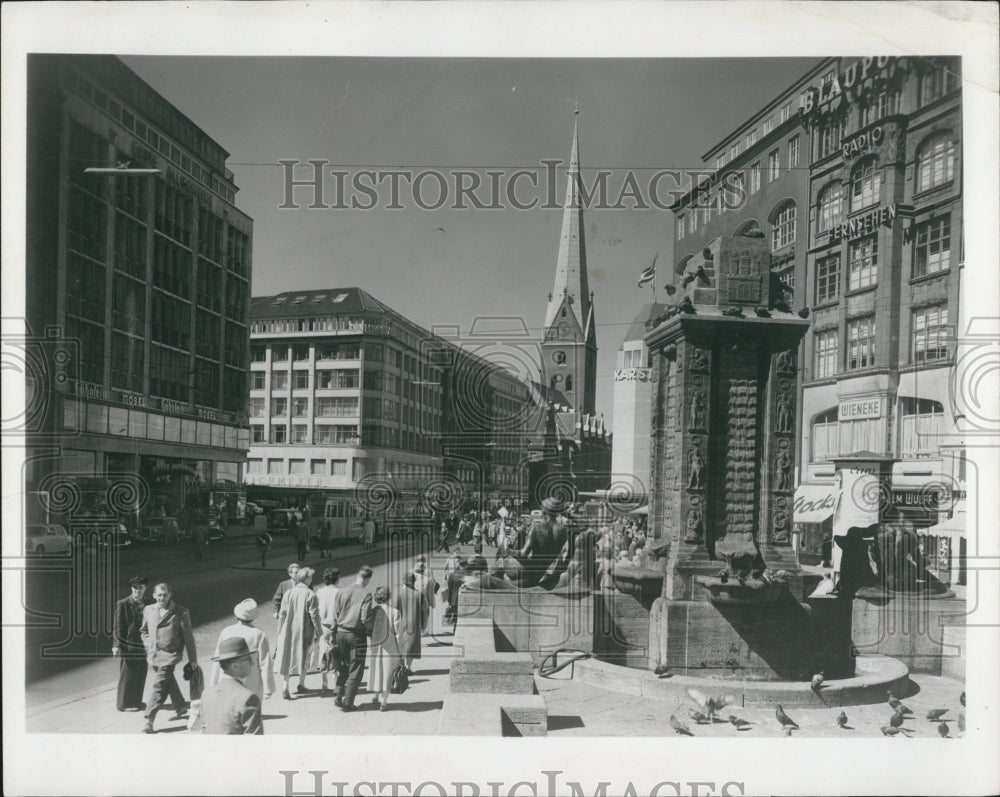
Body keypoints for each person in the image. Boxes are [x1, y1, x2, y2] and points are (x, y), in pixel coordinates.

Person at [140, 583, 199, 734]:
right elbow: (144, 631)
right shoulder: (148, 610)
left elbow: (189, 638)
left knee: (159, 686)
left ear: (170, 595)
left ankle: (149, 719)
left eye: (164, 595)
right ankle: (180, 706)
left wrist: (193, 660)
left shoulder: (181, 612)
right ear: (154, 595)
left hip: (170, 656)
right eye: (158, 595)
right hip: (153, 654)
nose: (161, 598)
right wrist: (148, 643)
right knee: (167, 681)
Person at [210, 599, 274, 703]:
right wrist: (268, 687)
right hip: (251, 678)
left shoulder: (226, 631)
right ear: (253, 617)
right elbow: (265, 663)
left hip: (228, 676)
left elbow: (218, 657)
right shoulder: (258, 634)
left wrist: (213, 683)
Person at [273, 567, 322, 699]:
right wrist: (319, 632)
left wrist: (280, 631)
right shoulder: (311, 594)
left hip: (288, 629)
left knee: (287, 656)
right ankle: (301, 683)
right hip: (304, 630)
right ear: (306, 579)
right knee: (305, 654)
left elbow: (282, 614)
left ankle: (285, 686)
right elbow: (314, 616)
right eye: (310, 577)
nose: (311, 579)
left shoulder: (288, 593)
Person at [331, 565, 374, 711]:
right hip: (357, 635)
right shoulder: (366, 594)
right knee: (356, 669)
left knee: (344, 665)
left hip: (340, 633)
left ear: (358, 575)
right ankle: (348, 702)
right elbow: (365, 618)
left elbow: (335, 614)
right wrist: (371, 630)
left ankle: (338, 692)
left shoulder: (342, 591)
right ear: (367, 578)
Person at [200, 637, 264, 735]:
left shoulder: (206, 695)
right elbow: (255, 742)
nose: (252, 662)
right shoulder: (248, 698)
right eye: (248, 659)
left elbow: (204, 731)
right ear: (235, 666)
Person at [112, 576, 151, 711]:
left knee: (141, 672)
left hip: (144, 644)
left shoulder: (149, 602)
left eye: (140, 587)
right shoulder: (123, 603)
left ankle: (136, 701)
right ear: (131, 588)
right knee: (128, 674)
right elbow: (118, 626)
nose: (137, 590)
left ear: (145, 588)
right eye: (135, 588)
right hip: (129, 644)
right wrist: (116, 645)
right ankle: (124, 704)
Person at [366, 586, 402, 712]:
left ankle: (375, 696)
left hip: (376, 644)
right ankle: (384, 701)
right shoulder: (395, 612)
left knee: (376, 670)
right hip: (390, 646)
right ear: (389, 597)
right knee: (388, 672)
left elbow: (368, 628)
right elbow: (398, 633)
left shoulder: (373, 611)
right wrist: (401, 650)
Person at [392, 572, 427, 672]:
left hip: (400, 623)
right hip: (414, 624)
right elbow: (424, 611)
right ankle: (408, 666)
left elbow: (394, 610)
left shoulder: (398, 594)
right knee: (411, 647)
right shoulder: (419, 594)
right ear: (414, 582)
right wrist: (424, 625)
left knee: (400, 645)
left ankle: (400, 666)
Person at [315, 567, 341, 691]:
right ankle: (335, 681)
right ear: (337, 579)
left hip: (323, 625)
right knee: (335, 654)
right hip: (336, 626)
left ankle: (324, 682)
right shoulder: (340, 592)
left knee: (323, 652)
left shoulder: (319, 592)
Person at [412, 559, 439, 636]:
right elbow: (430, 594)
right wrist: (433, 604)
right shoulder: (427, 580)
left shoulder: (410, 578)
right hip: (423, 601)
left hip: (412, 601)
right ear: (424, 570)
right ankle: (422, 631)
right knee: (424, 616)